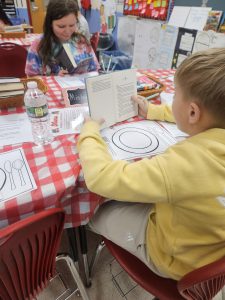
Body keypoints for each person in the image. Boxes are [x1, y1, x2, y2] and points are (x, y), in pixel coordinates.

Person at [77, 48, 225, 280]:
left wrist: (89, 132)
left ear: (193, 112)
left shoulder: (187, 164)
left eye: (175, 95)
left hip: (177, 260)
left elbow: (101, 177)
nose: (172, 99)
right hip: (213, 250)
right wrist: (154, 110)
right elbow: (192, 114)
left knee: (94, 213)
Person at [25, 0, 99, 76]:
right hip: (53, 86)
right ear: (50, 23)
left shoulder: (81, 41)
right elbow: (31, 78)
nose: (67, 31)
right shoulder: (38, 45)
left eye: (72, 25)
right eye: (61, 26)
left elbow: (95, 69)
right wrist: (54, 76)